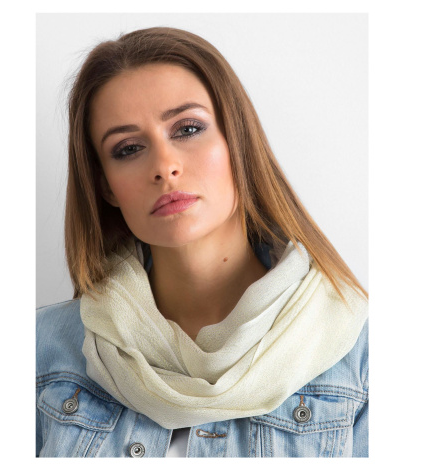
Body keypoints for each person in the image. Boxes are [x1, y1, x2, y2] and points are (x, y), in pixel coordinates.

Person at [36, 26, 368, 458]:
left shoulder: (362, 354)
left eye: (188, 128)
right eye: (128, 149)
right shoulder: (42, 351)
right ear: (106, 186)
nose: (165, 165)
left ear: (237, 141)